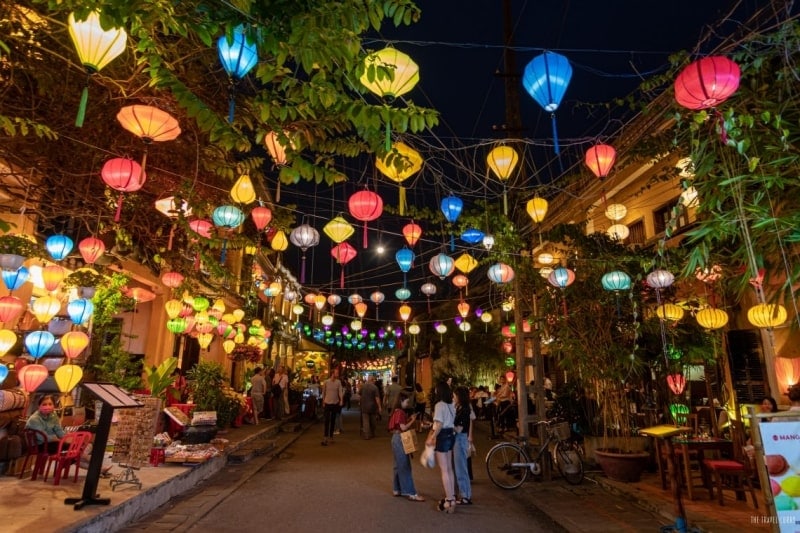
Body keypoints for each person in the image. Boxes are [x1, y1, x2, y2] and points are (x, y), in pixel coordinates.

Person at [425, 380, 457, 513]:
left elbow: (439, 425)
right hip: (451, 435)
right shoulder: (451, 405)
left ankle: (449, 500)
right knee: (449, 468)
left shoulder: (439, 405)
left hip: (443, 436)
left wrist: (432, 438)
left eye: (436, 389)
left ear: (439, 391)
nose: (435, 391)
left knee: (444, 470)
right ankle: (452, 497)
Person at [388, 391, 424, 502]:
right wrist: (412, 420)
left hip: (395, 438)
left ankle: (397, 489)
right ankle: (411, 492)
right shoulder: (401, 413)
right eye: (406, 401)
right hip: (400, 439)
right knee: (404, 465)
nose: (407, 404)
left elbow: (398, 426)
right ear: (401, 401)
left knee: (398, 465)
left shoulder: (396, 411)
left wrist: (409, 419)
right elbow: (403, 428)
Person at [453, 385, 475, 505]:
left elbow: (459, 429)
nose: (454, 397)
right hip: (460, 439)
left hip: (460, 439)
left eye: (455, 395)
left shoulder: (465, 409)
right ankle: (464, 494)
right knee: (460, 467)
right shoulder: (461, 407)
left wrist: (449, 424)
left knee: (461, 468)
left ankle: (465, 495)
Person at [321, 368, 344, 446]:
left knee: (333, 420)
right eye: (336, 373)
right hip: (327, 402)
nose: (337, 374)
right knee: (327, 420)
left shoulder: (338, 382)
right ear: (332, 373)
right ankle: (325, 437)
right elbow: (323, 392)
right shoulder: (326, 382)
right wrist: (323, 401)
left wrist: (341, 400)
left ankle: (331, 436)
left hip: (335, 403)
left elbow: (340, 391)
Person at [360, 375, 382, 439]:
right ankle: (372, 432)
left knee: (365, 421)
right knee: (373, 420)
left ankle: (366, 434)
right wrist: (379, 407)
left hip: (364, 406)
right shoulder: (375, 388)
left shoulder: (363, 387)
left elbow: (360, 395)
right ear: (372, 380)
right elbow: (377, 398)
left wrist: (360, 402)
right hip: (372, 406)